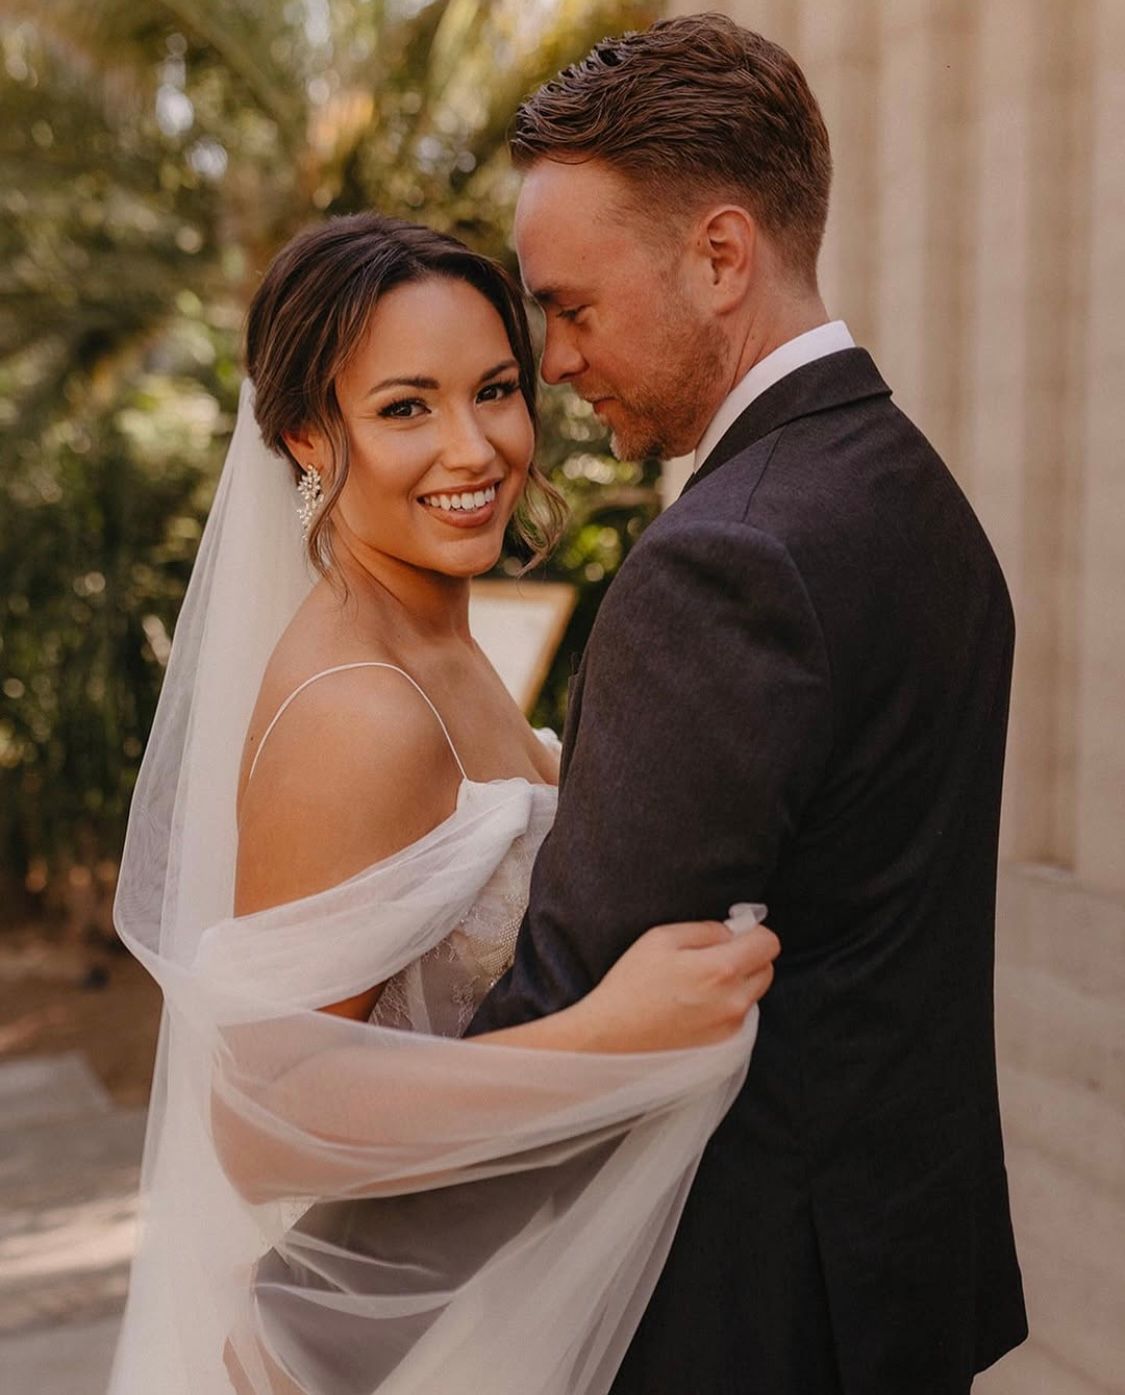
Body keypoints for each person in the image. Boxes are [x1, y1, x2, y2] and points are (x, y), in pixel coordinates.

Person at [109, 212, 779, 1395]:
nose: (473, 450)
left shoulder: (441, 648)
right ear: (313, 438)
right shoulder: (357, 710)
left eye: (496, 391)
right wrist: (610, 1035)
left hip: (508, 1309)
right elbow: (265, 1117)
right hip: (412, 1343)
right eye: (406, 407)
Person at [467, 14, 1028, 1395]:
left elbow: (567, 1008)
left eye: (572, 305)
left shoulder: (727, 559)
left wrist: (335, 1270)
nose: (553, 360)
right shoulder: (916, 491)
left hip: (742, 1314)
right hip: (891, 1277)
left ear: (720, 255)